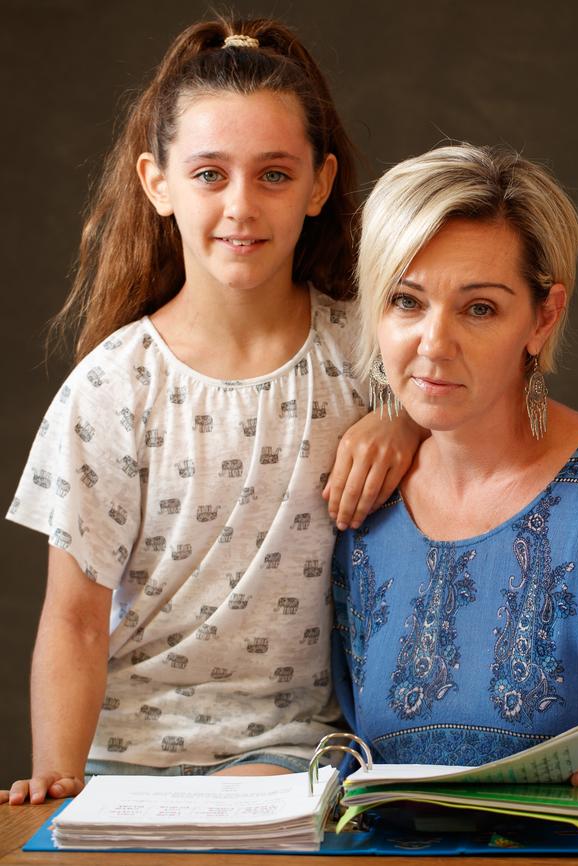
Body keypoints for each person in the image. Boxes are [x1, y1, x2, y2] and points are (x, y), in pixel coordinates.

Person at [2, 15, 424, 805]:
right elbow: (74, 622)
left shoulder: (370, 349)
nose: (241, 206)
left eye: (273, 174)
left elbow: (473, 419)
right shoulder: (111, 387)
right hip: (124, 759)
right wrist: (58, 787)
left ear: (319, 185)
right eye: (209, 174)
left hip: (294, 752)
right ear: (157, 182)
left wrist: (403, 419)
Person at [332, 144, 578, 820]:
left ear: (543, 317)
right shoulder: (363, 504)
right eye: (406, 301)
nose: (434, 343)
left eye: (479, 309)